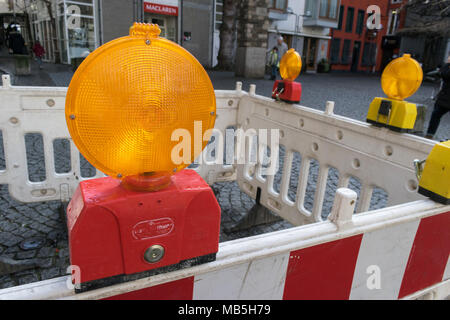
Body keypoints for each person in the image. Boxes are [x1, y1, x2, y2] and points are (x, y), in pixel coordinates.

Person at [425, 54, 450, 139]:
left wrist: (447, 64)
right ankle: (430, 134)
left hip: (446, 97)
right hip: (445, 96)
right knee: (436, 114)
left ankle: (430, 134)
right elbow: (442, 73)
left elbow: (445, 74)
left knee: (436, 114)